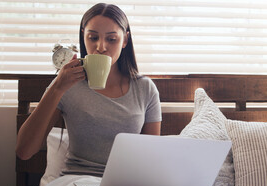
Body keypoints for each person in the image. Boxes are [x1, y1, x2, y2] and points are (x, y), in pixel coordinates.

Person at [16, 3, 162, 176]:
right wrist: (56, 87)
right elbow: (24, 151)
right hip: (77, 183)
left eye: (111, 39)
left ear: (125, 40)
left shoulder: (145, 89)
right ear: (83, 37)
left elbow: (152, 158)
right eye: (93, 38)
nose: (101, 47)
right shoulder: (66, 85)